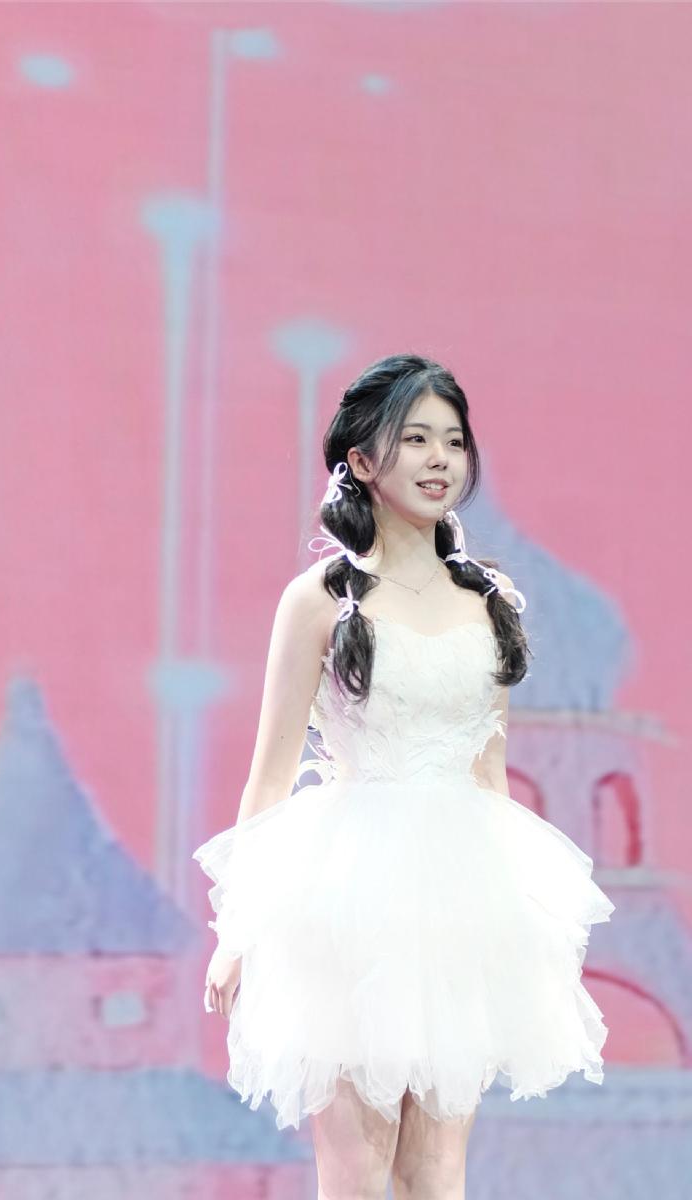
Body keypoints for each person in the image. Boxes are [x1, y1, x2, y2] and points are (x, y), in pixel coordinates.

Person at [192, 353, 615, 1199]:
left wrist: (521, 916)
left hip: (459, 898)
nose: (438, 460)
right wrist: (237, 933)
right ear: (360, 461)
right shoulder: (319, 599)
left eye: (451, 441)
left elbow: (487, 771)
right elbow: (269, 778)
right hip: (347, 898)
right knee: (355, 1169)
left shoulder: (488, 599)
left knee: (436, 1169)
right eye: (414, 439)